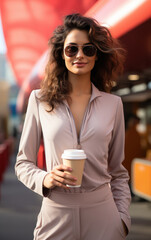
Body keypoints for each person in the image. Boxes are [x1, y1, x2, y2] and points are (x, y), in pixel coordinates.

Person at [15, 13, 131, 240]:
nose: (80, 55)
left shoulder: (113, 104)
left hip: (103, 217)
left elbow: (118, 173)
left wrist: (123, 220)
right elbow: (22, 163)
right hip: (56, 215)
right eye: (72, 49)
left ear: (97, 55)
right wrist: (44, 179)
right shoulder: (40, 101)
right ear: (61, 54)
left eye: (88, 49)